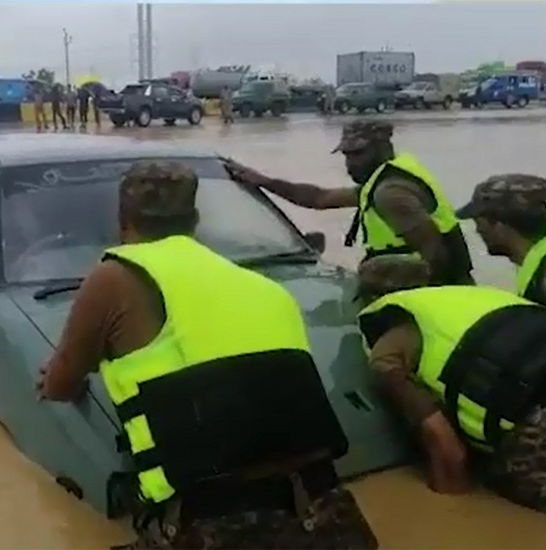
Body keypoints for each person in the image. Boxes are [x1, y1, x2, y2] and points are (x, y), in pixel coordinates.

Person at [38, 162, 378, 550]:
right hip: (325, 513)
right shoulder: (266, 289)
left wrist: (56, 378)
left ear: (122, 220)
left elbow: (61, 384)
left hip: (215, 523)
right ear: (195, 220)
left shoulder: (112, 278)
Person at [355, 254, 546, 512]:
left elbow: (444, 441)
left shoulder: (396, 340)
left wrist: (448, 503)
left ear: (372, 298)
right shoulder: (479, 296)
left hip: (536, 414)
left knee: (502, 482)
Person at [224, 119, 474, 285]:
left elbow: (437, 258)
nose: (350, 163)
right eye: (346, 155)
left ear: (382, 148)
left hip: (433, 292)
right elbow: (319, 198)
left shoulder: (389, 193)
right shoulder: (381, 181)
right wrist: (263, 181)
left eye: (358, 154)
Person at [455, 174, 546, 305]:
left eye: (478, 222)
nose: (478, 230)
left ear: (500, 225)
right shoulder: (534, 262)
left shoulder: (543, 276)